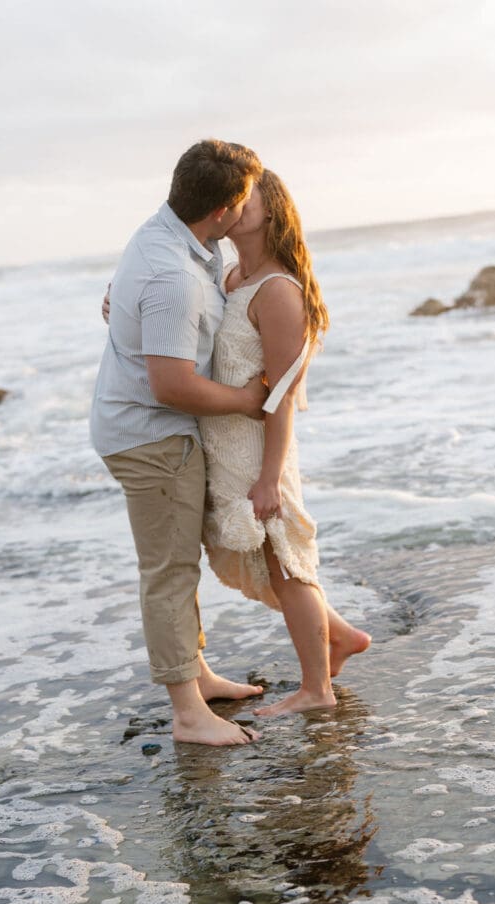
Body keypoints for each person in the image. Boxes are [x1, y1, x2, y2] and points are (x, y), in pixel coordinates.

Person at [90, 139, 267, 747]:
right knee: (169, 571)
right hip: (151, 435)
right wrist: (247, 401)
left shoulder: (173, 235)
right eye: (244, 200)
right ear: (222, 210)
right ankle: (189, 714)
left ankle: (199, 675)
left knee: (178, 563)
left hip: (140, 423)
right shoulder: (173, 274)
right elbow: (171, 386)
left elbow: (137, 312)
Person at [199, 170, 370, 718]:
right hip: (223, 444)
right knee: (266, 558)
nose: (231, 206)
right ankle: (339, 636)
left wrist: (270, 476)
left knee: (287, 562)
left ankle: (316, 688)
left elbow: (280, 397)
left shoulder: (277, 292)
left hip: (258, 452)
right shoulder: (228, 277)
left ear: (271, 212)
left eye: (243, 198)